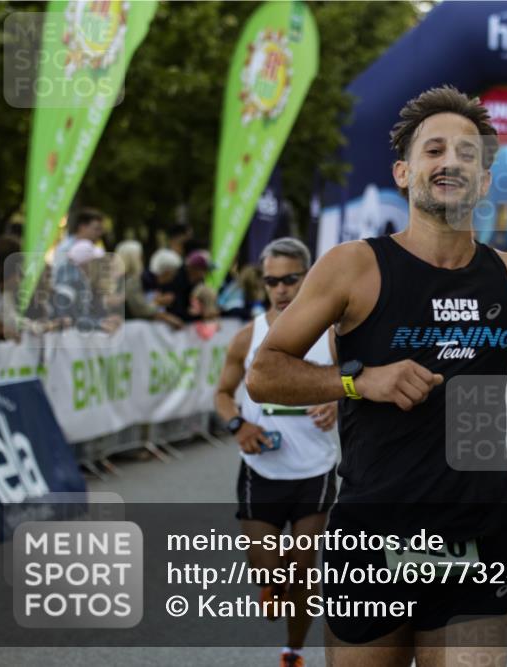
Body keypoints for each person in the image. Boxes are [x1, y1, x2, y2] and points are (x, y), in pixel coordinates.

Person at [247, 86, 507, 666]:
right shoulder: (354, 266)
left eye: (467, 154)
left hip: (476, 533)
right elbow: (265, 373)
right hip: (371, 532)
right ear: (404, 172)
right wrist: (361, 382)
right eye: (434, 150)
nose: (451, 162)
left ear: (484, 180)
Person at [214, 237, 339, 667]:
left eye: (291, 280)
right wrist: (238, 424)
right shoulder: (250, 335)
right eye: (272, 281)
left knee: (303, 566)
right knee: (270, 572)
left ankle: (293, 651)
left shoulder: (332, 335)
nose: (281, 289)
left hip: (315, 469)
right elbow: (222, 394)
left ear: (308, 278)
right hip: (261, 469)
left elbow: (359, 385)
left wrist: (337, 401)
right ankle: (273, 582)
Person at [114, 240, 184, 329]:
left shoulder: (122, 279)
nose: (142, 259)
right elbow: (140, 309)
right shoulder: (132, 280)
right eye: (140, 256)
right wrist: (157, 303)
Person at [165, 249, 214, 322]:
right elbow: (177, 312)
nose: (205, 274)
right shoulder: (175, 282)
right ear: (192, 268)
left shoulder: (197, 283)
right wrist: (201, 316)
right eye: (204, 270)